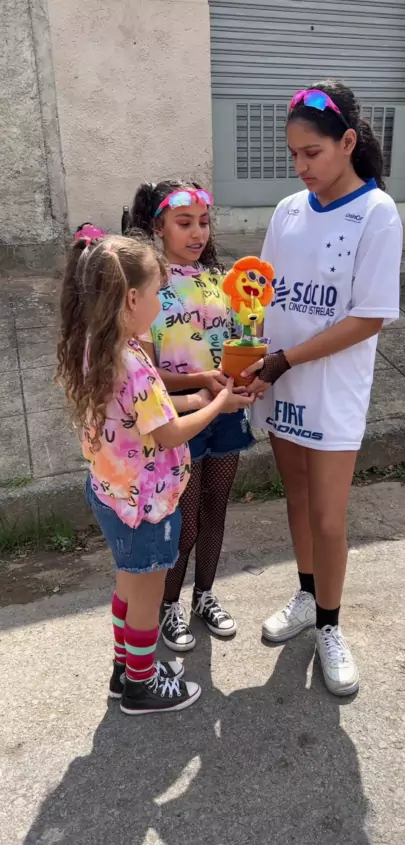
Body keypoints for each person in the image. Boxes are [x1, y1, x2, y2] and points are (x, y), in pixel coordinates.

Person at [245, 81, 403, 696]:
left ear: (348, 142)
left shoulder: (377, 213)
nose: (301, 166)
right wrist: (248, 349)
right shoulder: (288, 211)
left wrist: (285, 359)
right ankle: (307, 596)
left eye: (312, 152)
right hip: (279, 380)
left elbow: (369, 317)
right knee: (297, 498)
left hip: (331, 387)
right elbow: (261, 290)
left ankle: (331, 627)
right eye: (294, 155)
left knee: (328, 517)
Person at [56, 234, 253, 714]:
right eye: (157, 293)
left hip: (114, 494)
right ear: (131, 299)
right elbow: (168, 433)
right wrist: (220, 405)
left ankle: (126, 670)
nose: (161, 303)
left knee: (128, 586)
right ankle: (141, 687)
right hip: (147, 503)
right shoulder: (134, 363)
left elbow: (148, 411)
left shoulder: (97, 346)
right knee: (145, 597)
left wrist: (200, 395)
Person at [127, 181, 254, 652]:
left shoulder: (221, 281)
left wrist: (250, 367)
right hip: (179, 416)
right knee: (185, 519)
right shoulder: (147, 286)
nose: (197, 232)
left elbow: (237, 340)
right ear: (159, 227)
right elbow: (143, 368)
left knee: (216, 507)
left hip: (225, 410)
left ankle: (205, 595)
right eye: (184, 223)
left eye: (203, 222)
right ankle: (168, 604)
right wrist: (203, 381)